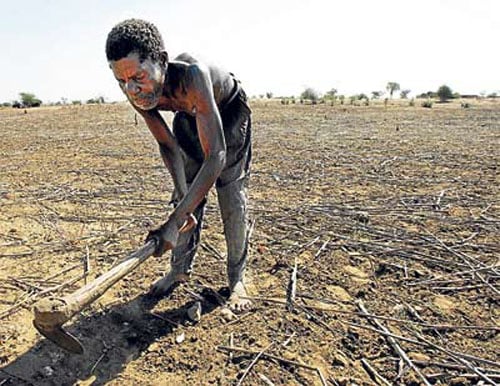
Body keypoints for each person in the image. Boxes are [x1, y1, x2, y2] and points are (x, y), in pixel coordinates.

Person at [105, 19, 252, 311]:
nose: (131, 88)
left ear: (161, 60)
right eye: (122, 81)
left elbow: (217, 155)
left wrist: (173, 223)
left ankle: (238, 279)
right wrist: (182, 198)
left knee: (231, 197)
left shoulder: (193, 76)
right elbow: (167, 144)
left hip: (227, 111)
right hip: (189, 116)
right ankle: (178, 270)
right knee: (183, 200)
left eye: (138, 76)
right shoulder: (135, 89)